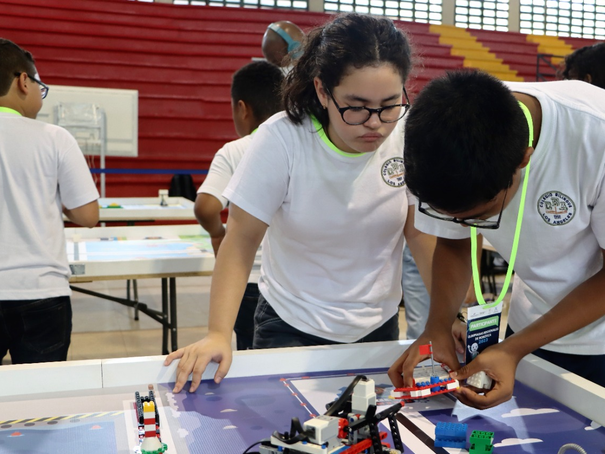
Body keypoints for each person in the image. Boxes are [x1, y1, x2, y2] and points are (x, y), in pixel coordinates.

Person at [165, 14, 436, 392]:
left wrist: (446, 315)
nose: (375, 123)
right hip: (290, 325)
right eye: (356, 107)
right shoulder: (283, 139)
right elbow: (241, 241)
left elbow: (421, 234)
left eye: (390, 105)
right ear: (323, 91)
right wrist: (217, 333)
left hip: (378, 325)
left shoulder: (406, 136)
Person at [391, 70, 605, 413]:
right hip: (532, 317)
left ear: (524, 160)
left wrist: (512, 349)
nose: (465, 226)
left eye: (481, 216)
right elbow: (454, 243)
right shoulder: (436, 137)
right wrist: (436, 327)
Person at [0, 38, 99, 367]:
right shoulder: (54, 137)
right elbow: (88, 215)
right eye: (39, 83)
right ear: (23, 81)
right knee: (43, 401)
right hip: (41, 293)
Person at [193, 60, 285, 350]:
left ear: (242, 108)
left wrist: (218, 234)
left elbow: (206, 206)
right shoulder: (299, 145)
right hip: (288, 284)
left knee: (249, 353)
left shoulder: (236, 150)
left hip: (247, 279)